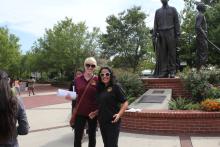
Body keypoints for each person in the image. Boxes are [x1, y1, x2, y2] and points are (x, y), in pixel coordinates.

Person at [96, 67, 128, 147]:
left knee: (112, 145)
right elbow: (103, 104)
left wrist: (119, 114)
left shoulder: (116, 86)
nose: (104, 76)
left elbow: (125, 102)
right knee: (106, 144)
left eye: (107, 74)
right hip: (102, 122)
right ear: (100, 76)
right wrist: (96, 112)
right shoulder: (100, 88)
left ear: (111, 75)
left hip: (113, 122)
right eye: (102, 74)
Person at [70, 57, 98, 147]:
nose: (90, 67)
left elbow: (101, 96)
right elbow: (71, 96)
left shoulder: (98, 80)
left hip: (92, 113)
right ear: (84, 66)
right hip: (79, 113)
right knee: (77, 137)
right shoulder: (76, 80)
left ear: (95, 67)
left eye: (92, 65)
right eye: (88, 65)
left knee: (92, 136)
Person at [0, 70, 29, 147]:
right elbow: (24, 129)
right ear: (8, 80)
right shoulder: (17, 100)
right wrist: (12, 131)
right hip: (11, 142)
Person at [153, 0, 180, 78]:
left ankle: (172, 71)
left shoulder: (173, 9)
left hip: (171, 32)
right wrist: (154, 35)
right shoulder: (157, 11)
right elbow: (155, 24)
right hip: (161, 33)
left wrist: (178, 34)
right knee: (162, 54)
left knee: (172, 52)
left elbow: (176, 22)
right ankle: (164, 71)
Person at [195, 2, 208, 71]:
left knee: (200, 55)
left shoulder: (198, 15)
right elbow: (198, 26)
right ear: (201, 7)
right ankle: (203, 73)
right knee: (203, 55)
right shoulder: (201, 15)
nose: (205, 7)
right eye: (204, 6)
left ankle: (199, 72)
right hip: (202, 37)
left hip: (200, 37)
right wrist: (204, 34)